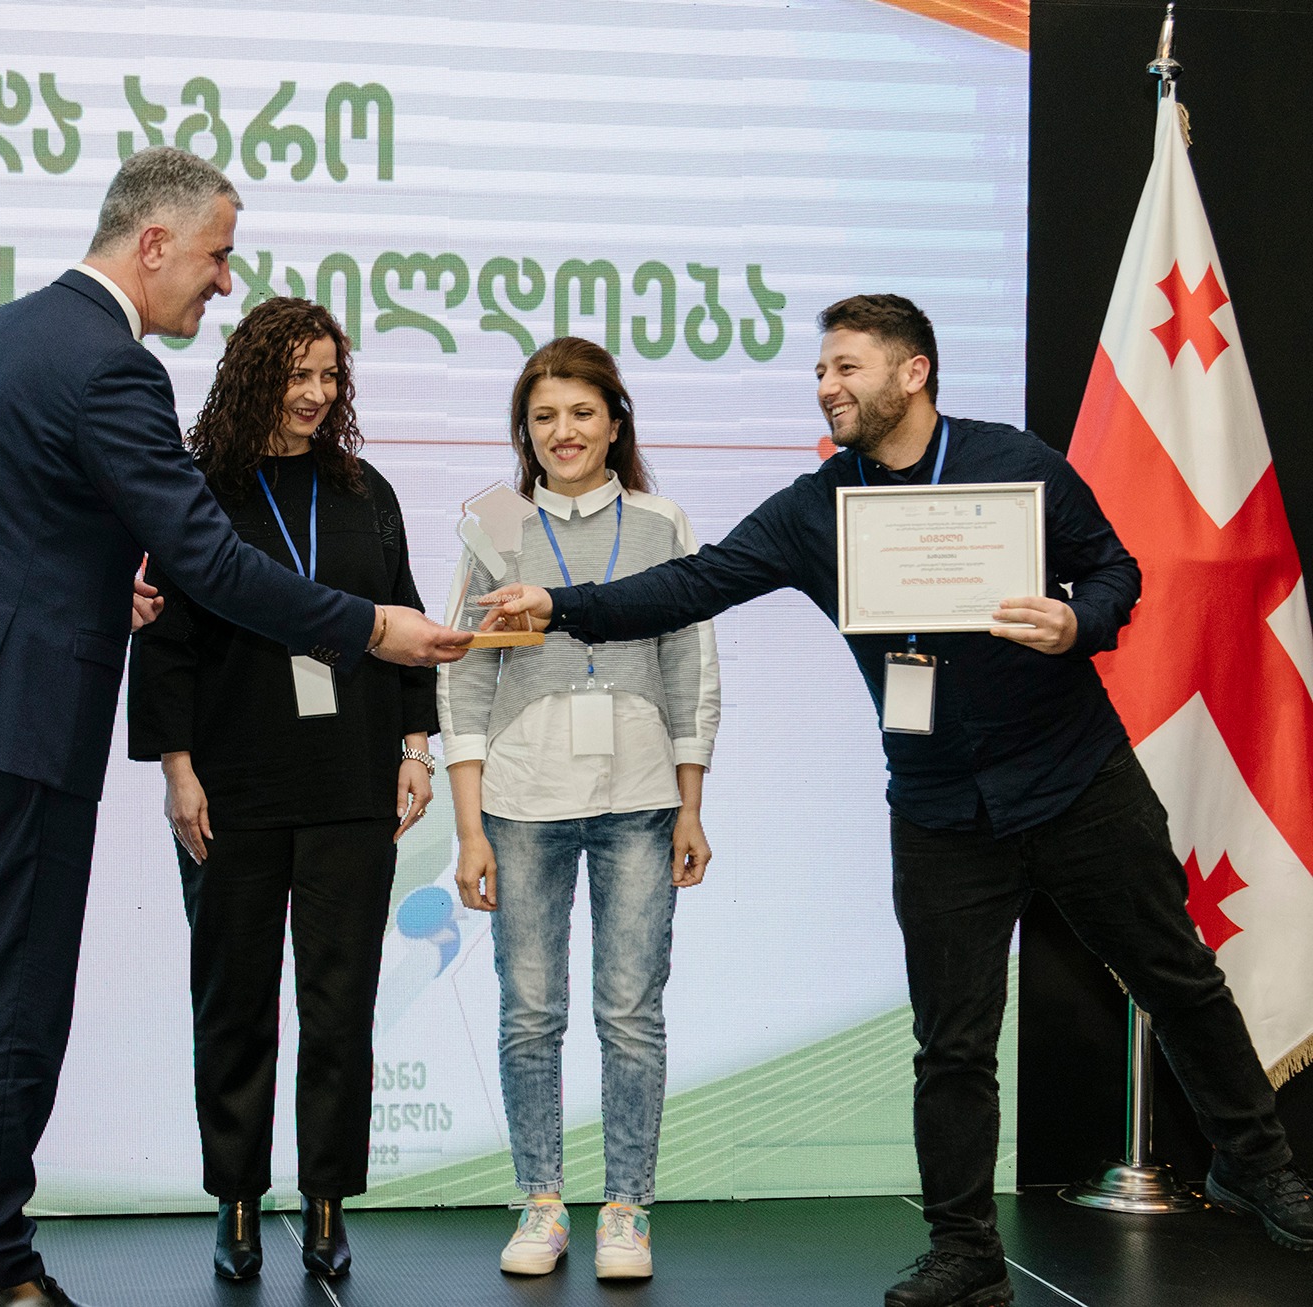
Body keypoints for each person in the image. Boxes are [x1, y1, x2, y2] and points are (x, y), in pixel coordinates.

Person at [480, 295, 1313, 1307]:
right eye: (820, 372)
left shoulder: (1014, 463)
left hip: (1075, 779)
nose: (826, 387)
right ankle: (966, 1251)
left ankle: (1256, 1162)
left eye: (846, 368)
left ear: (913, 372)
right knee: (952, 1044)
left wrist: (1078, 622)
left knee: (1176, 975)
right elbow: (692, 585)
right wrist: (560, 605)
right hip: (939, 809)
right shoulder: (817, 507)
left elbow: (1114, 569)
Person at [0, 148, 471, 1307]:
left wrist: (85, 584)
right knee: (14, 988)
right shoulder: (114, 367)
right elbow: (208, 560)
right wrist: (369, 627)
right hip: (17, 716)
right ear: (153, 243)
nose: (224, 280)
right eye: (217, 254)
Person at [126, 297, 440, 1283]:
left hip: (351, 779)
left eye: (330, 375)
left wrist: (417, 745)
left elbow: (402, 618)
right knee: (233, 1004)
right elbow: (166, 643)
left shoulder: (363, 489)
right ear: (255, 376)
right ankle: (235, 1202)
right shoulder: (199, 490)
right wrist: (177, 768)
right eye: (298, 374)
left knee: (340, 1006)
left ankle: (327, 1200)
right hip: (234, 786)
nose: (315, 394)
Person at [440, 337, 719, 1281]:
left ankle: (627, 1208)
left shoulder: (662, 521)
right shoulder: (496, 527)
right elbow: (462, 680)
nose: (564, 431)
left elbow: (690, 667)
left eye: (582, 412)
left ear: (615, 421)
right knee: (530, 1011)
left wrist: (691, 804)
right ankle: (542, 1201)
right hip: (521, 803)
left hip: (641, 798)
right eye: (544, 416)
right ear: (524, 431)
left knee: (631, 1011)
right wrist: (468, 828)